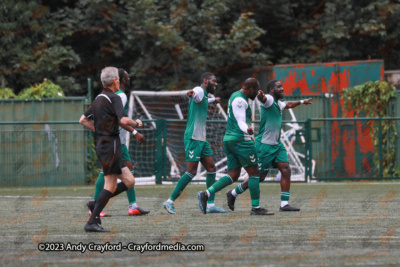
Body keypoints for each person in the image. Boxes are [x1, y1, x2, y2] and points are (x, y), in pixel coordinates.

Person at [226, 80, 312, 212]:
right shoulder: (270, 99)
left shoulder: (278, 103)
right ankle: (233, 193)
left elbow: (288, 104)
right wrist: (261, 96)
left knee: (286, 168)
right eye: (279, 87)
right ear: (271, 89)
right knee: (259, 177)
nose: (282, 88)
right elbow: (264, 99)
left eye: (282, 86)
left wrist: (301, 102)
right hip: (264, 145)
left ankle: (284, 204)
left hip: (277, 145)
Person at [79, 66, 143, 232]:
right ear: (115, 80)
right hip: (111, 146)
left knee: (129, 181)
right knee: (110, 186)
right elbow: (123, 119)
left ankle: (95, 203)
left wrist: (100, 131)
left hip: (104, 145)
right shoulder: (114, 98)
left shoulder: (99, 98)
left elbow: (83, 120)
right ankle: (91, 222)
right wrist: (137, 124)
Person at [197, 78, 274, 215]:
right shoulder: (240, 100)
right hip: (240, 140)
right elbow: (240, 121)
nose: (256, 94)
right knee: (255, 173)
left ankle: (206, 193)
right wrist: (247, 130)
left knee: (233, 174)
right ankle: (256, 208)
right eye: (256, 91)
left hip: (229, 140)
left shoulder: (234, 95)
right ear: (251, 89)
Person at [162, 72, 227, 214]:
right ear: (205, 81)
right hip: (193, 137)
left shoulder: (204, 96)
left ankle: (210, 205)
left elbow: (201, 99)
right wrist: (190, 93)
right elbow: (194, 94)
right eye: (213, 81)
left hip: (201, 138)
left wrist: (213, 100)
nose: (215, 83)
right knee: (191, 171)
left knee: (211, 168)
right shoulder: (198, 90)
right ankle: (169, 201)